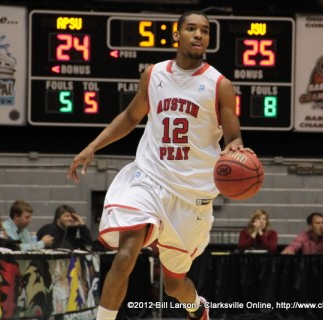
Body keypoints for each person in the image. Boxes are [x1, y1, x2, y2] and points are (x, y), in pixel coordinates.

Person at [67, 11, 250, 320]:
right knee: (125, 255)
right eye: (191, 28)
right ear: (176, 35)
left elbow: (233, 137)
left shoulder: (220, 85)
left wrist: (235, 147)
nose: (198, 34)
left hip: (191, 197)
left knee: (175, 285)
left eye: (204, 31)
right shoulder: (154, 75)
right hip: (149, 178)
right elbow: (129, 117)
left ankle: (197, 308)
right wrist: (93, 146)